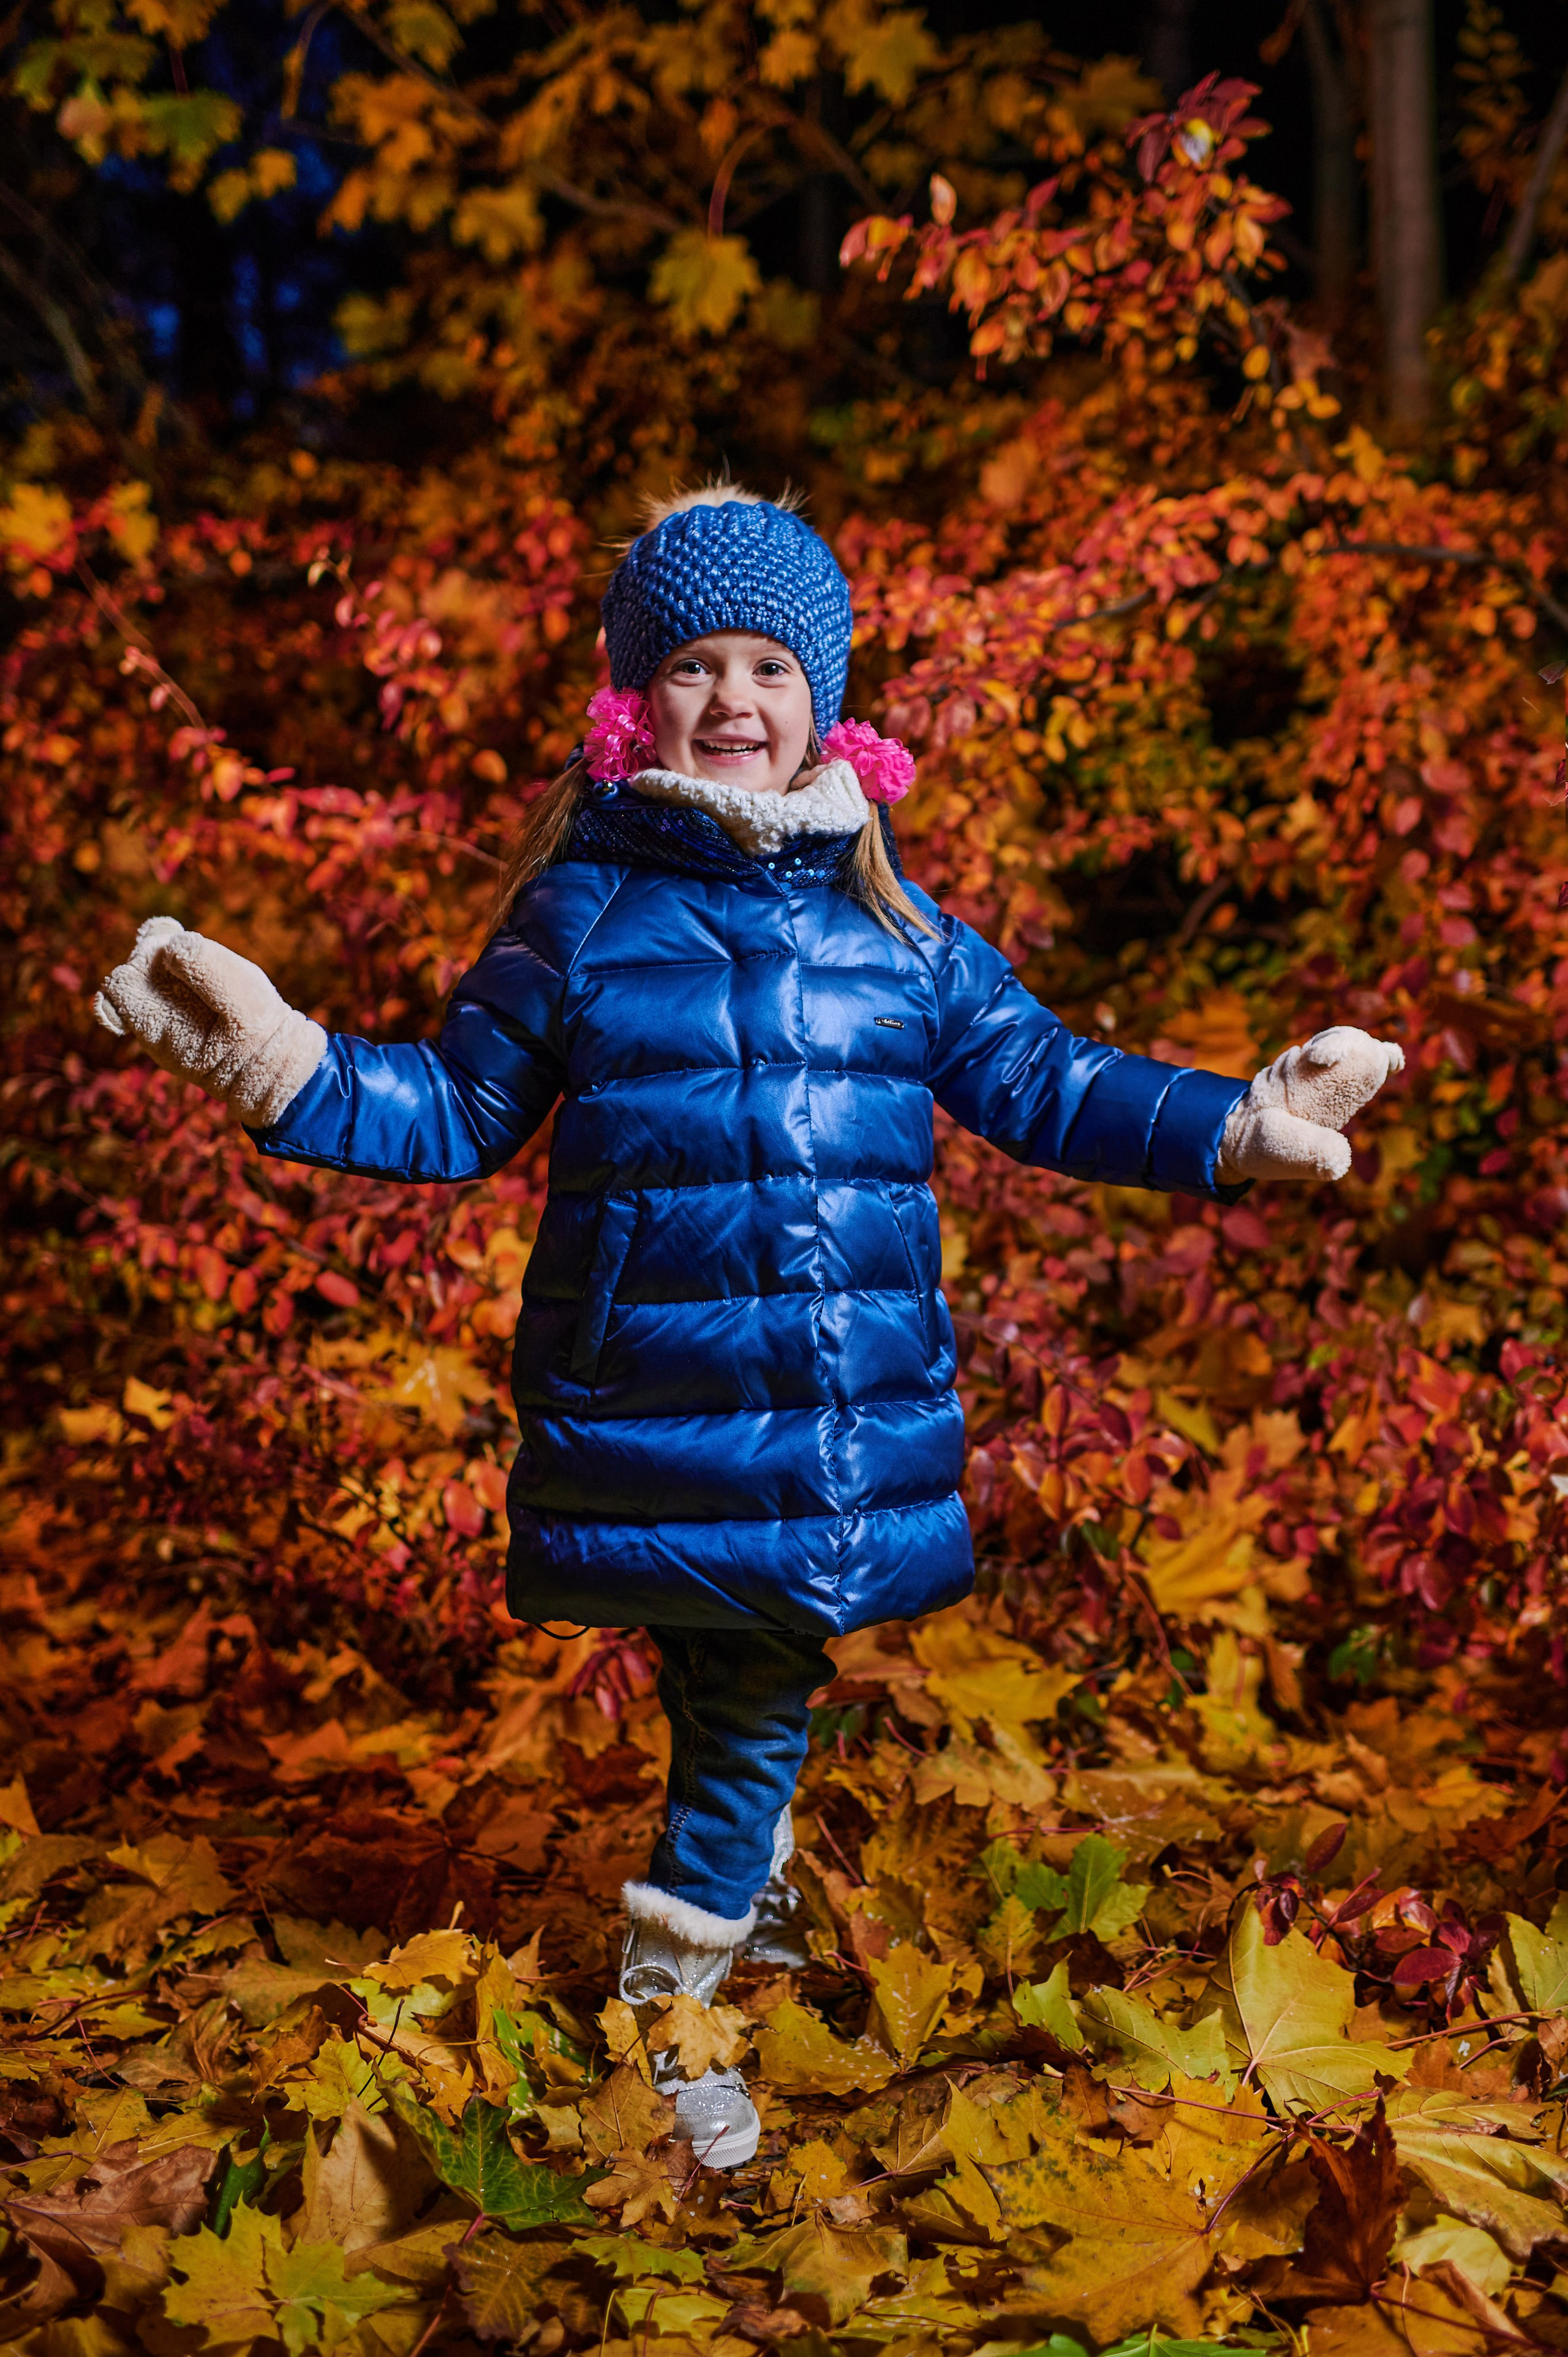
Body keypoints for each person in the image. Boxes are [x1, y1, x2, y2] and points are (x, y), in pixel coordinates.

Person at [94, 485, 1402, 2168]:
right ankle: (679, 1997)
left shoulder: (897, 930)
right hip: (665, 1388)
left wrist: (1233, 1122)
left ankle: (738, 1888)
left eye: (770, 666)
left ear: (823, 700)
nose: (733, 697)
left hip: (839, 1397)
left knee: (747, 1675)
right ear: (635, 698)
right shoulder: (582, 917)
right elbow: (454, 1111)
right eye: (694, 664)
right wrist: (277, 1060)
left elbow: (1047, 1078)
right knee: (753, 1683)